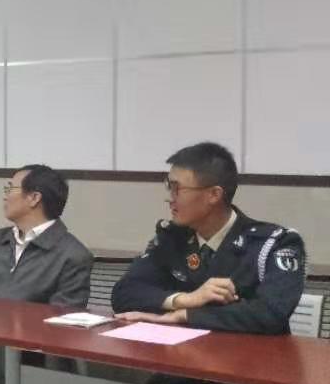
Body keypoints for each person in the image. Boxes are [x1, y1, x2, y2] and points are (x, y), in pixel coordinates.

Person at [111, 142, 305, 333]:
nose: (170, 198)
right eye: (169, 187)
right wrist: (185, 299)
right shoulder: (172, 237)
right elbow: (124, 293)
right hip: (181, 349)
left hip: (250, 353)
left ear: (214, 195)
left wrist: (186, 315)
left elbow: (271, 313)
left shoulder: (273, 244)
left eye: (177, 188)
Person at [0, 165, 93, 307]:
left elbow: (64, 315)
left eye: (10, 189)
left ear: (34, 198)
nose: (5, 196)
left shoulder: (72, 256)